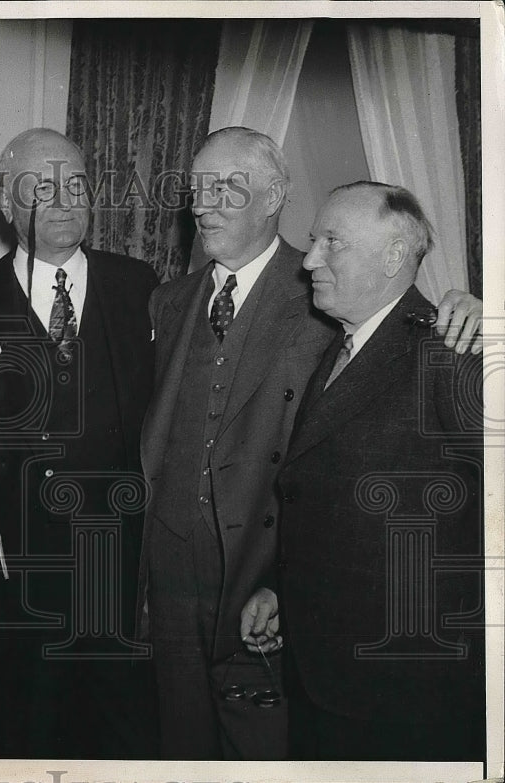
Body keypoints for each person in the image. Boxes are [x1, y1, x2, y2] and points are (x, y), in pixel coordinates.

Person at [139, 126, 483, 760]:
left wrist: (473, 313)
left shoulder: (333, 306)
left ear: (275, 197)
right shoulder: (167, 301)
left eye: (227, 187)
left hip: (348, 645)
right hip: (189, 591)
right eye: (196, 188)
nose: (203, 202)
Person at [255, 181, 484, 760]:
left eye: (333, 242)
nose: (309, 260)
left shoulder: (454, 351)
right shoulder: (341, 345)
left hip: (403, 691)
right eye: (313, 242)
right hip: (323, 673)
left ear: (391, 257)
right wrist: (285, 590)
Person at [0, 128, 159, 758]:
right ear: (5, 203)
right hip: (19, 582)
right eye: (40, 187)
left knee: (124, 745)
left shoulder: (142, 287)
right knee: (27, 743)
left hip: (124, 572)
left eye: (75, 184)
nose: (62, 200)